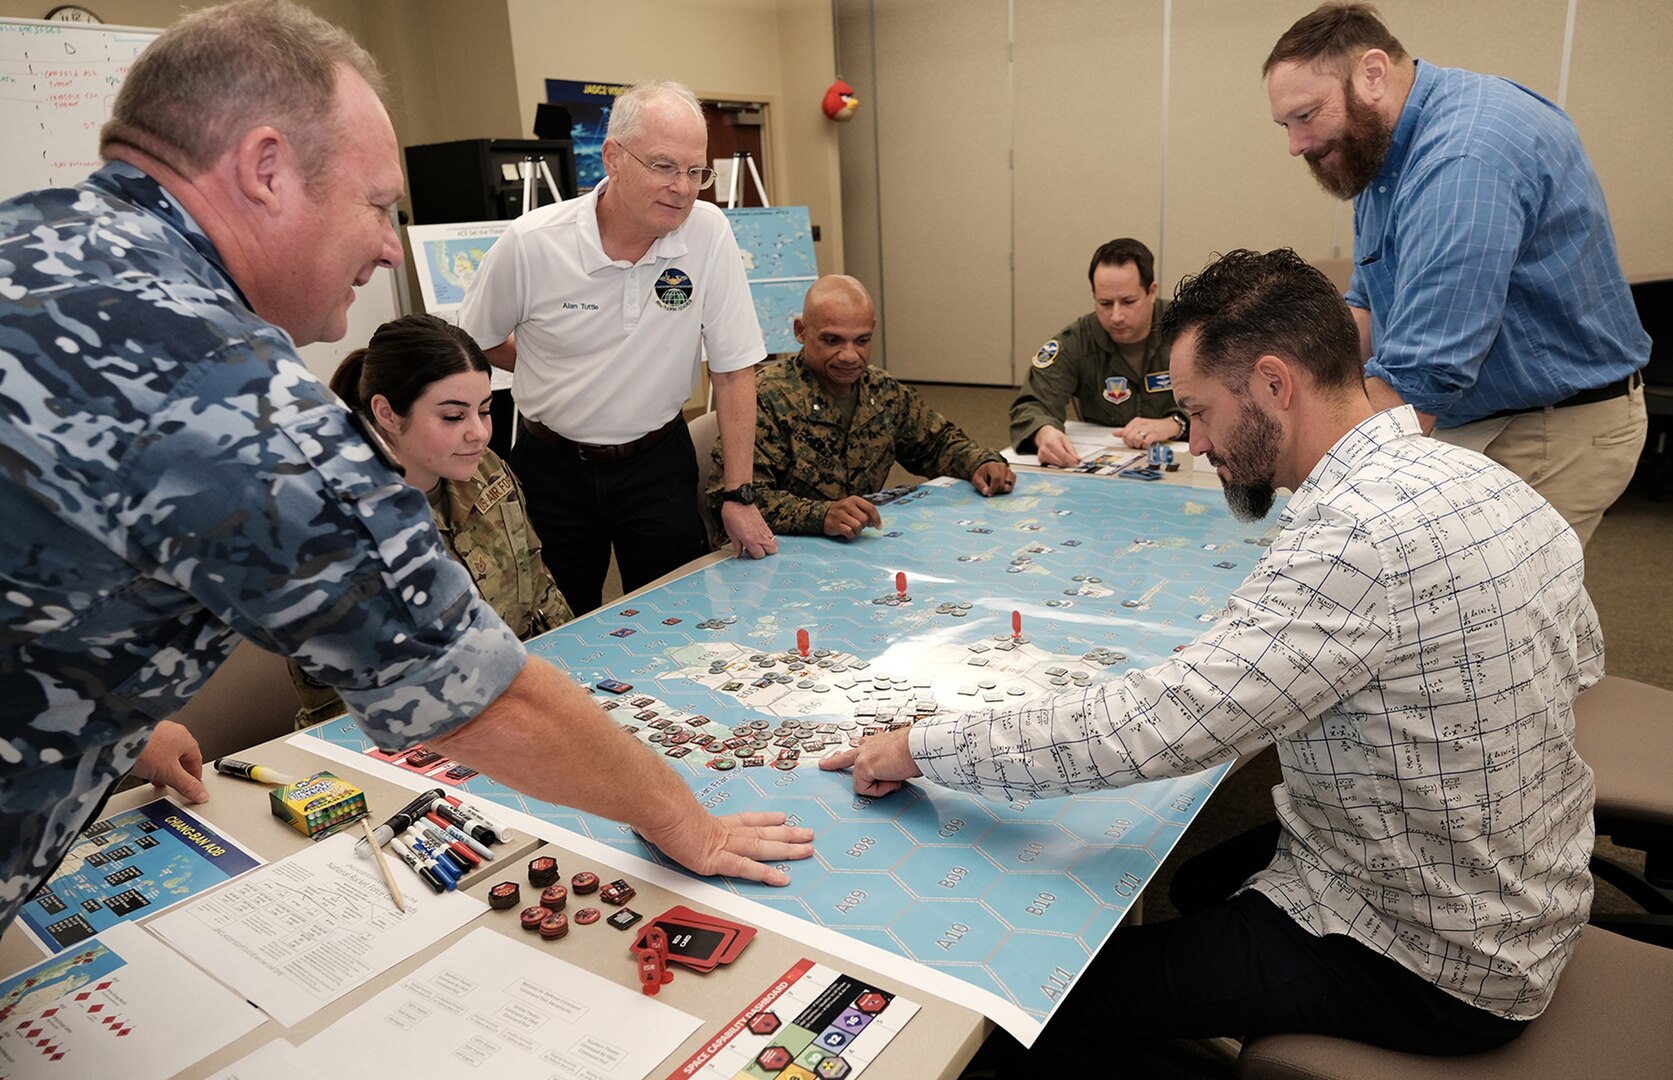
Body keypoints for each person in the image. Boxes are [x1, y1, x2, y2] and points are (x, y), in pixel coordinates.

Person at [0, 0, 812, 940]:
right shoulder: (222, 391)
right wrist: (684, 820)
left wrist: (113, 723)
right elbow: (475, 695)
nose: (392, 245)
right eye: (378, 205)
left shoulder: (37, 236)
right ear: (265, 170)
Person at [824, 249, 1599, 1069]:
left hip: (1432, 960)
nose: (1194, 443)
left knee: (1058, 998)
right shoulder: (1486, 481)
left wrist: (918, 746)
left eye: (1199, 412)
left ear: (1273, 384)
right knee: (1197, 884)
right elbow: (1580, 662)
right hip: (1527, 892)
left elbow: (1151, 730)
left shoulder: (1353, 537)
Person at [1264, 3, 1649, 547]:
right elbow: (1367, 304)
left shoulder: (1463, 158)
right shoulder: (1381, 152)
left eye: (1307, 116)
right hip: (1471, 414)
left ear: (1372, 74)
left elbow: (1422, 373)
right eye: (1286, 124)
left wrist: (1301, 459)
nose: (1296, 145)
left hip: (1551, 427)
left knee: (1491, 611)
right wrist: (1292, 387)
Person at [457, 80, 776, 614]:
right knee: (556, 623)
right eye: (664, 166)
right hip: (551, 467)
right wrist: (554, 371)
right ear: (613, 157)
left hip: (657, 465)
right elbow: (478, 340)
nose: (683, 187)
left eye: (696, 171)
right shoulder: (532, 244)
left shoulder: (708, 233)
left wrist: (738, 494)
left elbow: (734, 369)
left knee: (679, 622)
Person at [289, 314, 576, 728]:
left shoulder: (485, 470)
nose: (479, 433)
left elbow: (540, 593)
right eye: (453, 417)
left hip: (511, 705)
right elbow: (341, 708)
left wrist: (572, 680)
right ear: (387, 413)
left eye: (485, 410)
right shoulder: (332, 528)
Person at [711, 276, 1015, 540]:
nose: (849, 355)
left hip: (855, 550)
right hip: (777, 553)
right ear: (801, 331)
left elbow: (936, 444)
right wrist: (821, 516)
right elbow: (735, 498)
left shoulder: (882, 392)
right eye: (833, 340)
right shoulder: (765, 398)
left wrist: (979, 462)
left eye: (862, 341)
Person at [1009, 238, 1188, 465]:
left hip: (1182, 457)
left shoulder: (1186, 330)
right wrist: (1044, 433)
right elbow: (1032, 405)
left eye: (1128, 301)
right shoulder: (1078, 341)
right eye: (1104, 303)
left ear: (1151, 292)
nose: (1116, 316)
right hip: (1107, 461)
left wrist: (1175, 423)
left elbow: (1228, 397)